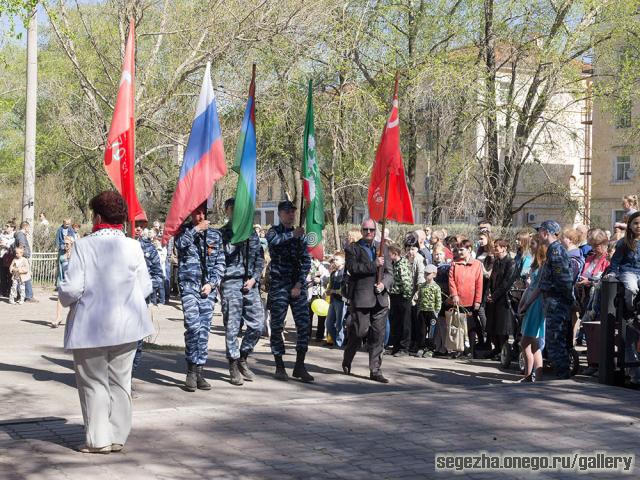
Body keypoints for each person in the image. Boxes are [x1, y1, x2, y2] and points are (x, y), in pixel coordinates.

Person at [58, 190, 154, 453]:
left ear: (97, 216)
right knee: (121, 383)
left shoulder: (84, 245)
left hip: (91, 327)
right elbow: (145, 287)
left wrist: (62, 295)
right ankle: (117, 436)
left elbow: (72, 288)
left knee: (93, 384)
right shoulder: (133, 245)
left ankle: (98, 439)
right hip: (128, 325)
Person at [175, 203, 226, 392]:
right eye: (197, 212)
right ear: (190, 214)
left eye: (203, 212)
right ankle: (190, 369)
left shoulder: (215, 235)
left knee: (204, 330)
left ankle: (199, 371)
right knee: (193, 326)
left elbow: (220, 263)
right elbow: (180, 245)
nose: (201, 216)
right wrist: (196, 230)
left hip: (207, 289)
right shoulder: (183, 231)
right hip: (189, 286)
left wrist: (212, 284)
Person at [219, 198, 265, 386]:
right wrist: (237, 238)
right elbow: (224, 254)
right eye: (233, 209)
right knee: (232, 326)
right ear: (227, 211)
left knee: (258, 324)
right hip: (230, 282)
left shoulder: (252, 234)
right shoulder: (222, 233)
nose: (237, 212)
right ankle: (232, 364)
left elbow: (259, 258)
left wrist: (254, 278)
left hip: (250, 283)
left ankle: (243, 357)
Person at [266, 200, 313, 382]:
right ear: (280, 214)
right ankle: (279, 365)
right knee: (277, 326)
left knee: (304, 325)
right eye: (287, 212)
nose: (291, 215)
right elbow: (274, 243)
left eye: (293, 212)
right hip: (279, 285)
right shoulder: (274, 231)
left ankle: (300, 365)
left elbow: (306, 261)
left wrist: (299, 284)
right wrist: (292, 235)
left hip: (296, 286)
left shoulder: (300, 235)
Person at [342, 218, 393, 383]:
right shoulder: (352, 249)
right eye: (366, 230)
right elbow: (353, 269)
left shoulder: (382, 247)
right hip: (362, 298)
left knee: (378, 335)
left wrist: (384, 284)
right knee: (359, 332)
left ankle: (375, 370)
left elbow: (389, 273)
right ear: (361, 230)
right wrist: (374, 264)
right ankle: (348, 357)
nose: (369, 232)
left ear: (376, 230)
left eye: (372, 229)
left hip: (380, 299)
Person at [537, 220, 574, 379]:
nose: (538, 235)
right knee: (554, 342)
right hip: (553, 302)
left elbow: (563, 280)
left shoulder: (556, 251)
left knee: (555, 342)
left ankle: (562, 378)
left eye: (539, 231)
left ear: (545, 233)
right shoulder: (553, 250)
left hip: (557, 303)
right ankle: (561, 375)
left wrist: (568, 301)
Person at [608, 211, 640, 384]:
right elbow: (615, 262)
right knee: (631, 286)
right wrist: (612, 273)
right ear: (629, 225)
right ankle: (632, 310)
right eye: (635, 223)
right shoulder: (624, 243)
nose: (638, 226)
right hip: (629, 272)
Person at [517, 234, 547, 382]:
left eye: (533, 244)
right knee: (532, 343)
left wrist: (527, 304)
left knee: (527, 341)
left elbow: (538, 288)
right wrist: (523, 302)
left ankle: (531, 375)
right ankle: (533, 376)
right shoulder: (535, 263)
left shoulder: (543, 265)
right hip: (531, 301)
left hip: (536, 304)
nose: (531, 247)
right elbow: (529, 287)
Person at [448, 240, 483, 358]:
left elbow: (479, 283)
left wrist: (478, 300)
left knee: (471, 327)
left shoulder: (477, 264)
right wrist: (454, 295)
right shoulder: (454, 264)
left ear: (469, 249)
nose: (459, 252)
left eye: (462, 249)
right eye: (458, 250)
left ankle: (471, 351)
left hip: (471, 301)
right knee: (458, 326)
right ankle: (460, 349)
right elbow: (451, 280)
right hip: (458, 300)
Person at [485, 239, 516, 359]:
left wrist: (494, 295)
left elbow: (506, 283)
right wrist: (488, 292)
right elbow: (492, 278)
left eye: (497, 247)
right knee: (493, 326)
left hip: (504, 300)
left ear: (504, 248)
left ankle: (504, 351)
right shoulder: (497, 262)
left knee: (502, 328)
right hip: (493, 298)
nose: (494, 249)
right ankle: (497, 348)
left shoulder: (511, 263)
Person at [387, 243, 413, 357]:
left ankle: (404, 348)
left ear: (395, 254)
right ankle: (396, 346)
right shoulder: (393, 264)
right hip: (394, 295)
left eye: (389, 254)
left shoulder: (402, 264)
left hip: (403, 296)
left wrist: (407, 297)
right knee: (395, 322)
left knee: (404, 323)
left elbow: (406, 283)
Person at [417, 264, 442, 357]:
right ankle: (421, 347)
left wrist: (436, 312)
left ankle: (431, 348)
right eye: (425, 273)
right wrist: (418, 310)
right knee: (422, 331)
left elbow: (438, 301)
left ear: (434, 274)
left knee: (431, 332)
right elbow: (419, 298)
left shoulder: (436, 287)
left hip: (432, 312)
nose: (426, 275)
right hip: (422, 311)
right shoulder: (422, 286)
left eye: (428, 274)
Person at [326, 252, 346, 347]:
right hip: (333, 301)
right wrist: (328, 290)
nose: (334, 261)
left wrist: (334, 291)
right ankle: (336, 342)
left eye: (337, 259)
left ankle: (339, 344)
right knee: (329, 324)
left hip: (341, 301)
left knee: (340, 324)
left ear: (343, 261)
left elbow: (344, 289)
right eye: (334, 259)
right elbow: (330, 285)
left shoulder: (345, 273)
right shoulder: (333, 273)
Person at [53, 236, 74, 327]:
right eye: (64, 244)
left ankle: (75, 321)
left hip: (74, 280)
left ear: (72, 244)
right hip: (64, 280)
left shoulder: (76, 254)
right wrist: (59, 281)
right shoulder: (62, 255)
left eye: (67, 244)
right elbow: (60, 270)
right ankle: (58, 318)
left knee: (75, 302)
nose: (65, 245)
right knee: (60, 298)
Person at [308, 257, 329, 342]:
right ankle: (307, 334)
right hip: (310, 294)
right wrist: (312, 277)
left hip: (321, 294)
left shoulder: (325, 265)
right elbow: (302, 277)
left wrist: (321, 280)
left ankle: (319, 335)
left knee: (322, 316)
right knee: (308, 316)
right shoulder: (307, 263)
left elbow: (328, 278)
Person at [14, 221, 36, 302]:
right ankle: (28, 297)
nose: (28, 229)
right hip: (23, 258)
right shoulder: (21, 235)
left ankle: (20, 296)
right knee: (26, 277)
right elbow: (21, 246)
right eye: (28, 227)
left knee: (20, 277)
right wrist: (22, 258)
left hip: (21, 258)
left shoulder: (19, 234)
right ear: (25, 227)